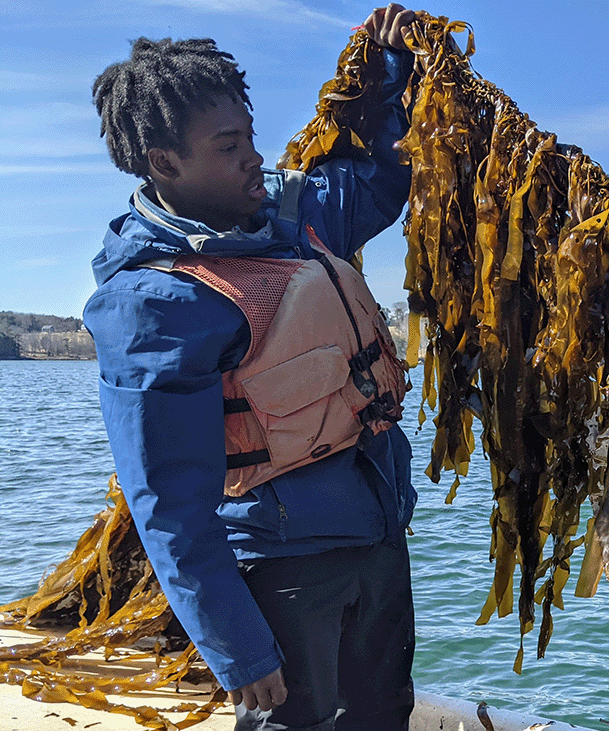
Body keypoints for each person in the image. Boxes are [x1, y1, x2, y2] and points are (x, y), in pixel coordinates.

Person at [83, 5, 421, 729]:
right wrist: (236, 646)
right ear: (164, 163)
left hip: (377, 539)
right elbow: (168, 504)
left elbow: (381, 182)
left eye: (251, 137)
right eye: (229, 145)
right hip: (282, 573)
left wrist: (390, 69)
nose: (252, 159)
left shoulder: (293, 218)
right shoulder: (155, 302)